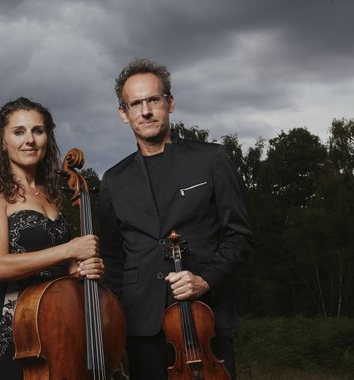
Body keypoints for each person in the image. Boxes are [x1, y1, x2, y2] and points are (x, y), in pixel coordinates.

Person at [96, 58, 253, 379]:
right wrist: (114, 324)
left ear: (170, 102)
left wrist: (205, 279)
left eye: (153, 100)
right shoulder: (114, 179)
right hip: (140, 324)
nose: (146, 111)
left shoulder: (212, 159)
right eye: (135, 104)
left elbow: (240, 236)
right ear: (123, 113)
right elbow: (112, 258)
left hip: (204, 319)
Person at [0, 97, 105, 379]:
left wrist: (82, 268)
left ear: (47, 137)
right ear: (2, 141)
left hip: (60, 322)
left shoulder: (53, 192)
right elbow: (0, 266)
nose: (30, 140)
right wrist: (70, 249)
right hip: (17, 327)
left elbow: (65, 263)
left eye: (38, 130)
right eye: (18, 132)